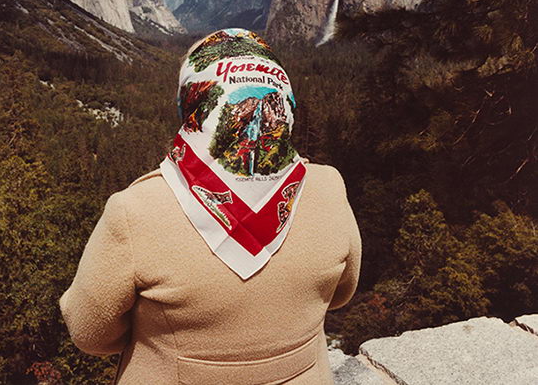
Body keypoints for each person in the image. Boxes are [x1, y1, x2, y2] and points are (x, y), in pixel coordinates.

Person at [59, 28, 362, 384]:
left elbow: (90, 332)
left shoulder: (135, 211)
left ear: (190, 104)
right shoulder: (328, 187)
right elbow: (342, 293)